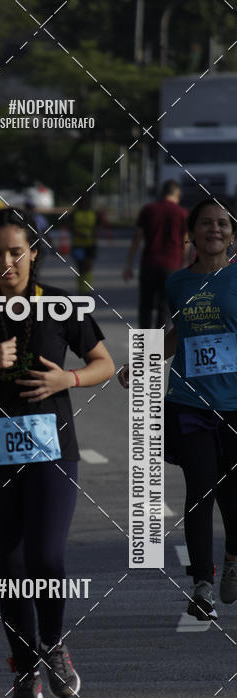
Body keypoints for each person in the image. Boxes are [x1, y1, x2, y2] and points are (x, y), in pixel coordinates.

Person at [0, 207, 115, 698]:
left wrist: (67, 379)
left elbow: (103, 363)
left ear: (33, 253)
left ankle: (53, 646)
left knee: (46, 558)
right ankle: (24, 668)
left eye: (16, 252)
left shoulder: (60, 305)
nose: (7, 263)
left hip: (53, 450)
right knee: (11, 568)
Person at [119, 197, 237, 621]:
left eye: (223, 223)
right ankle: (202, 584)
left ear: (232, 234)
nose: (214, 229)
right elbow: (177, 333)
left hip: (235, 406)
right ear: (191, 232)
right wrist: (143, 360)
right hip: (189, 402)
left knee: (232, 494)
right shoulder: (177, 283)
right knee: (200, 489)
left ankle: (233, 557)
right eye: (206, 223)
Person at [124, 179, 189, 328]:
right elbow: (186, 242)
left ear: (162, 193)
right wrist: (184, 264)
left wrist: (129, 265)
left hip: (149, 264)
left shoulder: (148, 210)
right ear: (177, 194)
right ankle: (160, 343)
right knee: (164, 308)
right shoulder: (182, 213)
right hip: (172, 265)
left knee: (145, 307)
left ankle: (144, 343)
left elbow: (137, 238)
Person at [69, 195, 105, 294]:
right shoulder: (74, 214)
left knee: (88, 266)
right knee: (80, 267)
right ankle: (81, 289)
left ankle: (87, 289)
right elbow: (70, 227)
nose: (84, 203)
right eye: (82, 201)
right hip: (77, 245)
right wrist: (79, 234)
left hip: (90, 244)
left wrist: (95, 232)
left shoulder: (94, 213)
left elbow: (100, 225)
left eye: (86, 201)